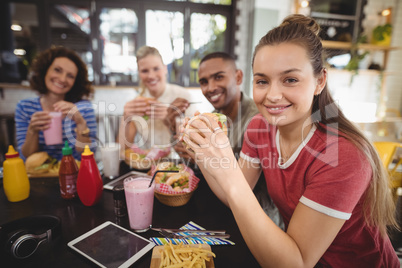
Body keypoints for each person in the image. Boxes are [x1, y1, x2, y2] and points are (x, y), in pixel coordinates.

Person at [181, 14, 399, 267]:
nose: (273, 95)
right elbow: (234, 194)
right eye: (262, 81)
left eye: (290, 80)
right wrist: (203, 150)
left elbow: (297, 262)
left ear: (319, 81)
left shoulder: (343, 155)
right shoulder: (259, 128)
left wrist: (228, 170)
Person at [167, 52, 283, 228]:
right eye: (204, 82)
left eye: (218, 77)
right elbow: (195, 166)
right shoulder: (214, 117)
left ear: (238, 77)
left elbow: (239, 189)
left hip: (259, 221)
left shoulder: (259, 121)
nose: (210, 87)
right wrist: (173, 128)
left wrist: (200, 157)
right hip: (220, 209)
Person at [15, 46, 97, 161]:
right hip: (39, 176)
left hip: (75, 172)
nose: (63, 79)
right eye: (57, 70)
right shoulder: (25, 107)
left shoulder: (83, 108)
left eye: (70, 76)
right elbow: (26, 157)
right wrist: (32, 131)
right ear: (44, 70)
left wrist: (80, 122)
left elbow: (89, 154)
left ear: (76, 82)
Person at [118, 46, 196, 152]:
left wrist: (170, 120)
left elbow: (194, 146)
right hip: (148, 164)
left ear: (164, 69)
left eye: (156, 68)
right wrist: (125, 118)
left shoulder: (183, 97)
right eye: (145, 71)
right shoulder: (137, 103)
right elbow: (123, 149)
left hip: (179, 162)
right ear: (139, 74)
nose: (151, 75)